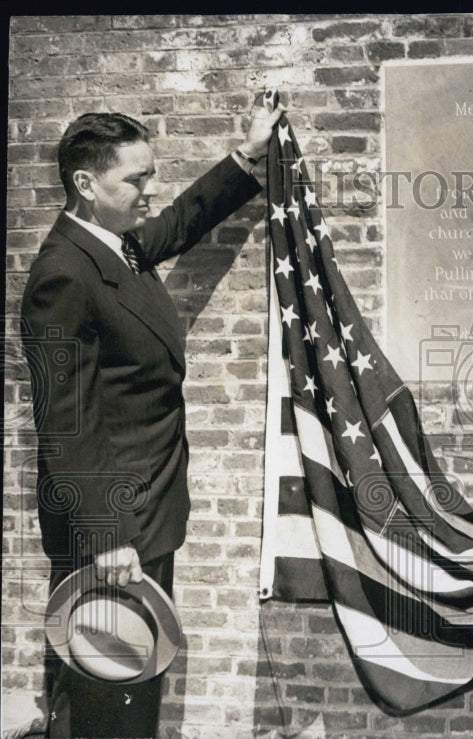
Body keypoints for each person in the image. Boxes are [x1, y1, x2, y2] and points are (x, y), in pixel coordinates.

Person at [20, 96, 284, 737]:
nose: (150, 190)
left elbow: (178, 222)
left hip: (146, 514)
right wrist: (108, 535)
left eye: (151, 175)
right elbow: (65, 423)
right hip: (109, 530)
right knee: (101, 705)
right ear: (86, 184)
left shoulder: (116, 247)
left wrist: (247, 155)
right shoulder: (63, 276)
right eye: (136, 179)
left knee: (131, 697)